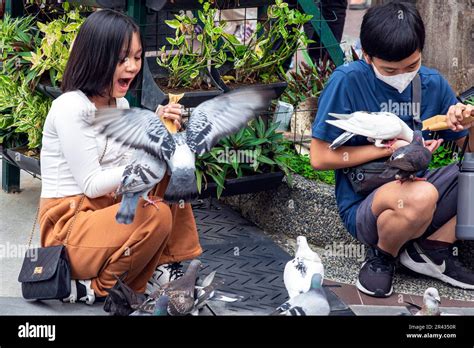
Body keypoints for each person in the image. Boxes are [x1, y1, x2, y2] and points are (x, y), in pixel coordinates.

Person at [310, 2, 474, 298]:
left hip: (422, 196)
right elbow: (319, 157)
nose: (402, 74)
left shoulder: (432, 84)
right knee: (421, 196)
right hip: (368, 206)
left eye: (412, 66)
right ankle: (382, 256)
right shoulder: (348, 81)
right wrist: (390, 149)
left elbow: (469, 150)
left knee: (424, 193)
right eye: (389, 69)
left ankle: (433, 249)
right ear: (367, 56)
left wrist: (469, 124)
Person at [39, 9, 202, 305]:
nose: (132, 66)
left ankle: (171, 268)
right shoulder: (70, 107)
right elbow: (91, 183)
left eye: (138, 57)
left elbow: (128, 173)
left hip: (106, 216)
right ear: (96, 57)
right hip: (68, 228)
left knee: (172, 171)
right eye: (122, 58)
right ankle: (96, 289)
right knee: (154, 214)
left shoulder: (121, 105)